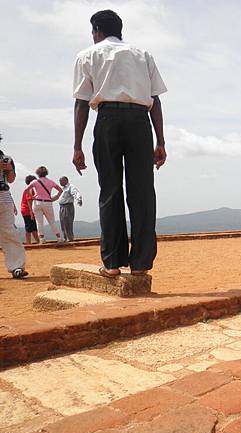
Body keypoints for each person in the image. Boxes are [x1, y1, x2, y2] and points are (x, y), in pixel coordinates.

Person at [72, 10, 167, 277]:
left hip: (107, 120)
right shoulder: (143, 54)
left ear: (97, 30)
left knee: (110, 191)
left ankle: (112, 263)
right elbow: (155, 100)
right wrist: (160, 141)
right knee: (143, 193)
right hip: (140, 121)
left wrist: (77, 145)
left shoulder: (87, 55)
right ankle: (140, 264)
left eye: (93, 32)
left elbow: (81, 102)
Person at [0, 134, 28, 278]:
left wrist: (9, 169)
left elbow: (11, 180)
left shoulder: (6, 158)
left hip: (4, 196)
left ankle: (17, 266)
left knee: (9, 231)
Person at [26, 166, 63, 244]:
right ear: (46, 173)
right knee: (52, 221)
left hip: (37, 202)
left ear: (38, 173)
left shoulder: (35, 182)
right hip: (47, 202)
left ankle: (42, 239)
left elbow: (27, 189)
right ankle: (59, 238)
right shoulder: (51, 182)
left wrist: (32, 196)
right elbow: (60, 190)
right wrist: (56, 197)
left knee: (39, 222)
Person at [58, 176, 82, 242]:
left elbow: (75, 193)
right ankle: (66, 238)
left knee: (67, 222)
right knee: (63, 223)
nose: (60, 182)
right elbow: (57, 196)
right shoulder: (62, 189)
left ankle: (70, 238)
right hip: (62, 207)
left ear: (66, 180)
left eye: (61, 181)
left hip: (67, 207)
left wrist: (79, 199)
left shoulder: (70, 186)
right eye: (59, 181)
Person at [21, 175, 39, 244]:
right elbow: (29, 200)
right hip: (27, 210)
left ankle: (37, 241)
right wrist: (31, 212)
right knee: (29, 228)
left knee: (33, 227)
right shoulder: (30, 189)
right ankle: (28, 243)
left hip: (27, 210)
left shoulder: (29, 189)